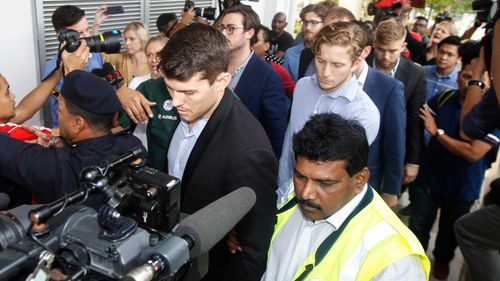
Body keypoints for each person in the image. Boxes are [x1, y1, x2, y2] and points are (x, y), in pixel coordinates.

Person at [159, 23, 277, 281]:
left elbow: (252, 253)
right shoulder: (190, 107)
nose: (175, 102)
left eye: (188, 92)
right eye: (170, 88)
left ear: (222, 81)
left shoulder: (248, 152)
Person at [262, 113, 429, 281]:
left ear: (360, 179)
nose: (306, 193)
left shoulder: (396, 262)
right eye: (301, 177)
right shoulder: (291, 192)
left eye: (325, 183)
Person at [409, 43, 499, 279]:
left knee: (450, 234)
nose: (469, 84)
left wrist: (437, 132)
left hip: (462, 188)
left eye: (475, 79)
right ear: (459, 76)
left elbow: (472, 152)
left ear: (487, 83)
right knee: (418, 228)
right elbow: (417, 126)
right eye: (466, 77)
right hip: (428, 182)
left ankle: (442, 261)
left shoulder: (491, 114)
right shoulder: (444, 98)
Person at [0, 70, 146, 204]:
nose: (57, 113)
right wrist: (62, 143)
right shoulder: (134, 146)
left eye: (60, 110)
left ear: (78, 124)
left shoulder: (55, 168)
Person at [277, 22, 380, 202]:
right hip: (283, 192)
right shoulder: (302, 87)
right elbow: (289, 144)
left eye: (337, 65)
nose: (325, 72)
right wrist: (280, 189)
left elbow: (338, 174)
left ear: (356, 63)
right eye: (321, 60)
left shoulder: (364, 113)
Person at [219, 5, 287, 158]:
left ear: (249, 33)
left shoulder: (268, 76)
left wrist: (270, 169)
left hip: (245, 158)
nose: (223, 33)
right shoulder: (212, 65)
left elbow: (277, 129)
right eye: (222, 27)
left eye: (231, 28)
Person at [369, 18, 427, 194]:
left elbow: (415, 119)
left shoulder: (415, 74)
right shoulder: (358, 65)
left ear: (403, 47)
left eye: (392, 51)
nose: (386, 57)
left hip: (395, 152)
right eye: (381, 49)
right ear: (373, 44)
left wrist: (413, 161)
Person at [352, 20, 406, 209]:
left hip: (369, 179)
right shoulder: (329, 78)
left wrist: (391, 189)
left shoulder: (391, 88)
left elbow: (395, 141)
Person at [43, 4, 105, 128]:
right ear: (61, 36)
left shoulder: (95, 54)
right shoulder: (51, 69)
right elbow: (54, 94)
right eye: (80, 33)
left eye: (87, 30)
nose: (87, 36)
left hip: (98, 128)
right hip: (69, 133)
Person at [124, 35, 169, 149]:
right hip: (138, 145)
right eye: (149, 55)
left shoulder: (175, 88)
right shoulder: (136, 82)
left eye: (159, 55)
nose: (153, 60)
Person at [93, 11, 150, 84]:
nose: (126, 43)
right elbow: (98, 54)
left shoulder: (153, 62)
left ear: (143, 39)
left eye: (132, 39)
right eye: (125, 39)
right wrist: (96, 25)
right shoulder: (121, 58)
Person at [282, 3, 326, 82]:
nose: (308, 27)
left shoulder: (328, 54)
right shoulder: (290, 53)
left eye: (314, 22)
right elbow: (285, 86)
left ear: (324, 24)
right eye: (305, 22)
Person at [252, 25, 295, 99]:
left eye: (254, 40)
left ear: (266, 46)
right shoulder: (235, 65)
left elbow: (295, 94)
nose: (249, 43)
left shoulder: (277, 70)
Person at [422, 35, 461, 101]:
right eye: (441, 52)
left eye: (450, 54)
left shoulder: (459, 81)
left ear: (459, 58)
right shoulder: (422, 71)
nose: (443, 57)